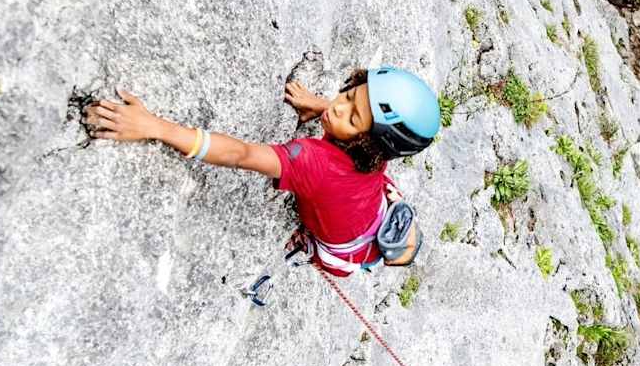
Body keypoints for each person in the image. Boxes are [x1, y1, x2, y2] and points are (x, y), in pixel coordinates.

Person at [84, 67, 441, 276]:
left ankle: (362, 246)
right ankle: (399, 239)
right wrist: (321, 106)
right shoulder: (375, 153)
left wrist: (155, 127)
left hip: (344, 252)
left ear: (370, 143)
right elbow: (347, 118)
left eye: (353, 116)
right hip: (367, 204)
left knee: (343, 245)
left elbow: (241, 154)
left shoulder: (309, 161)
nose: (339, 107)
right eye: (348, 96)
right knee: (368, 198)